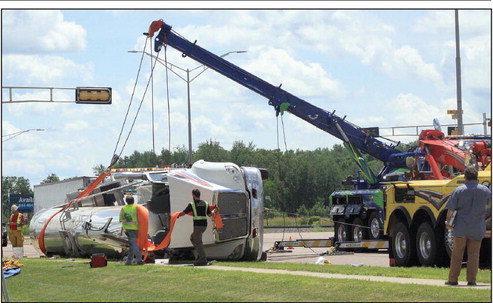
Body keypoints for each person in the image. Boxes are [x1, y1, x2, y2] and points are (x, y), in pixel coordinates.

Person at [444, 166, 491, 286]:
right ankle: (472, 280)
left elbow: (451, 209)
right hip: (477, 227)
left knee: (457, 254)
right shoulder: (485, 191)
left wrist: (448, 223)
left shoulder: (459, 190)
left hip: (461, 228)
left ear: (465, 177)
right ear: (477, 178)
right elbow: (488, 206)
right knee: (474, 255)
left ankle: (453, 279)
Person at [178, 189, 213, 266]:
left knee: (198, 242)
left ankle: (202, 260)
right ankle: (200, 256)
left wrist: (176, 216)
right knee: (192, 238)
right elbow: (210, 215)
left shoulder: (192, 204)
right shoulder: (205, 203)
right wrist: (215, 211)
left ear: (193, 195)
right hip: (204, 225)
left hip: (197, 226)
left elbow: (184, 212)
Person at [119, 195, 144, 265]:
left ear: (126, 201)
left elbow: (121, 219)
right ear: (133, 200)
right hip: (136, 228)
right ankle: (128, 261)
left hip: (128, 229)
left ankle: (139, 260)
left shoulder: (124, 208)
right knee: (132, 245)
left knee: (133, 244)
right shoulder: (137, 208)